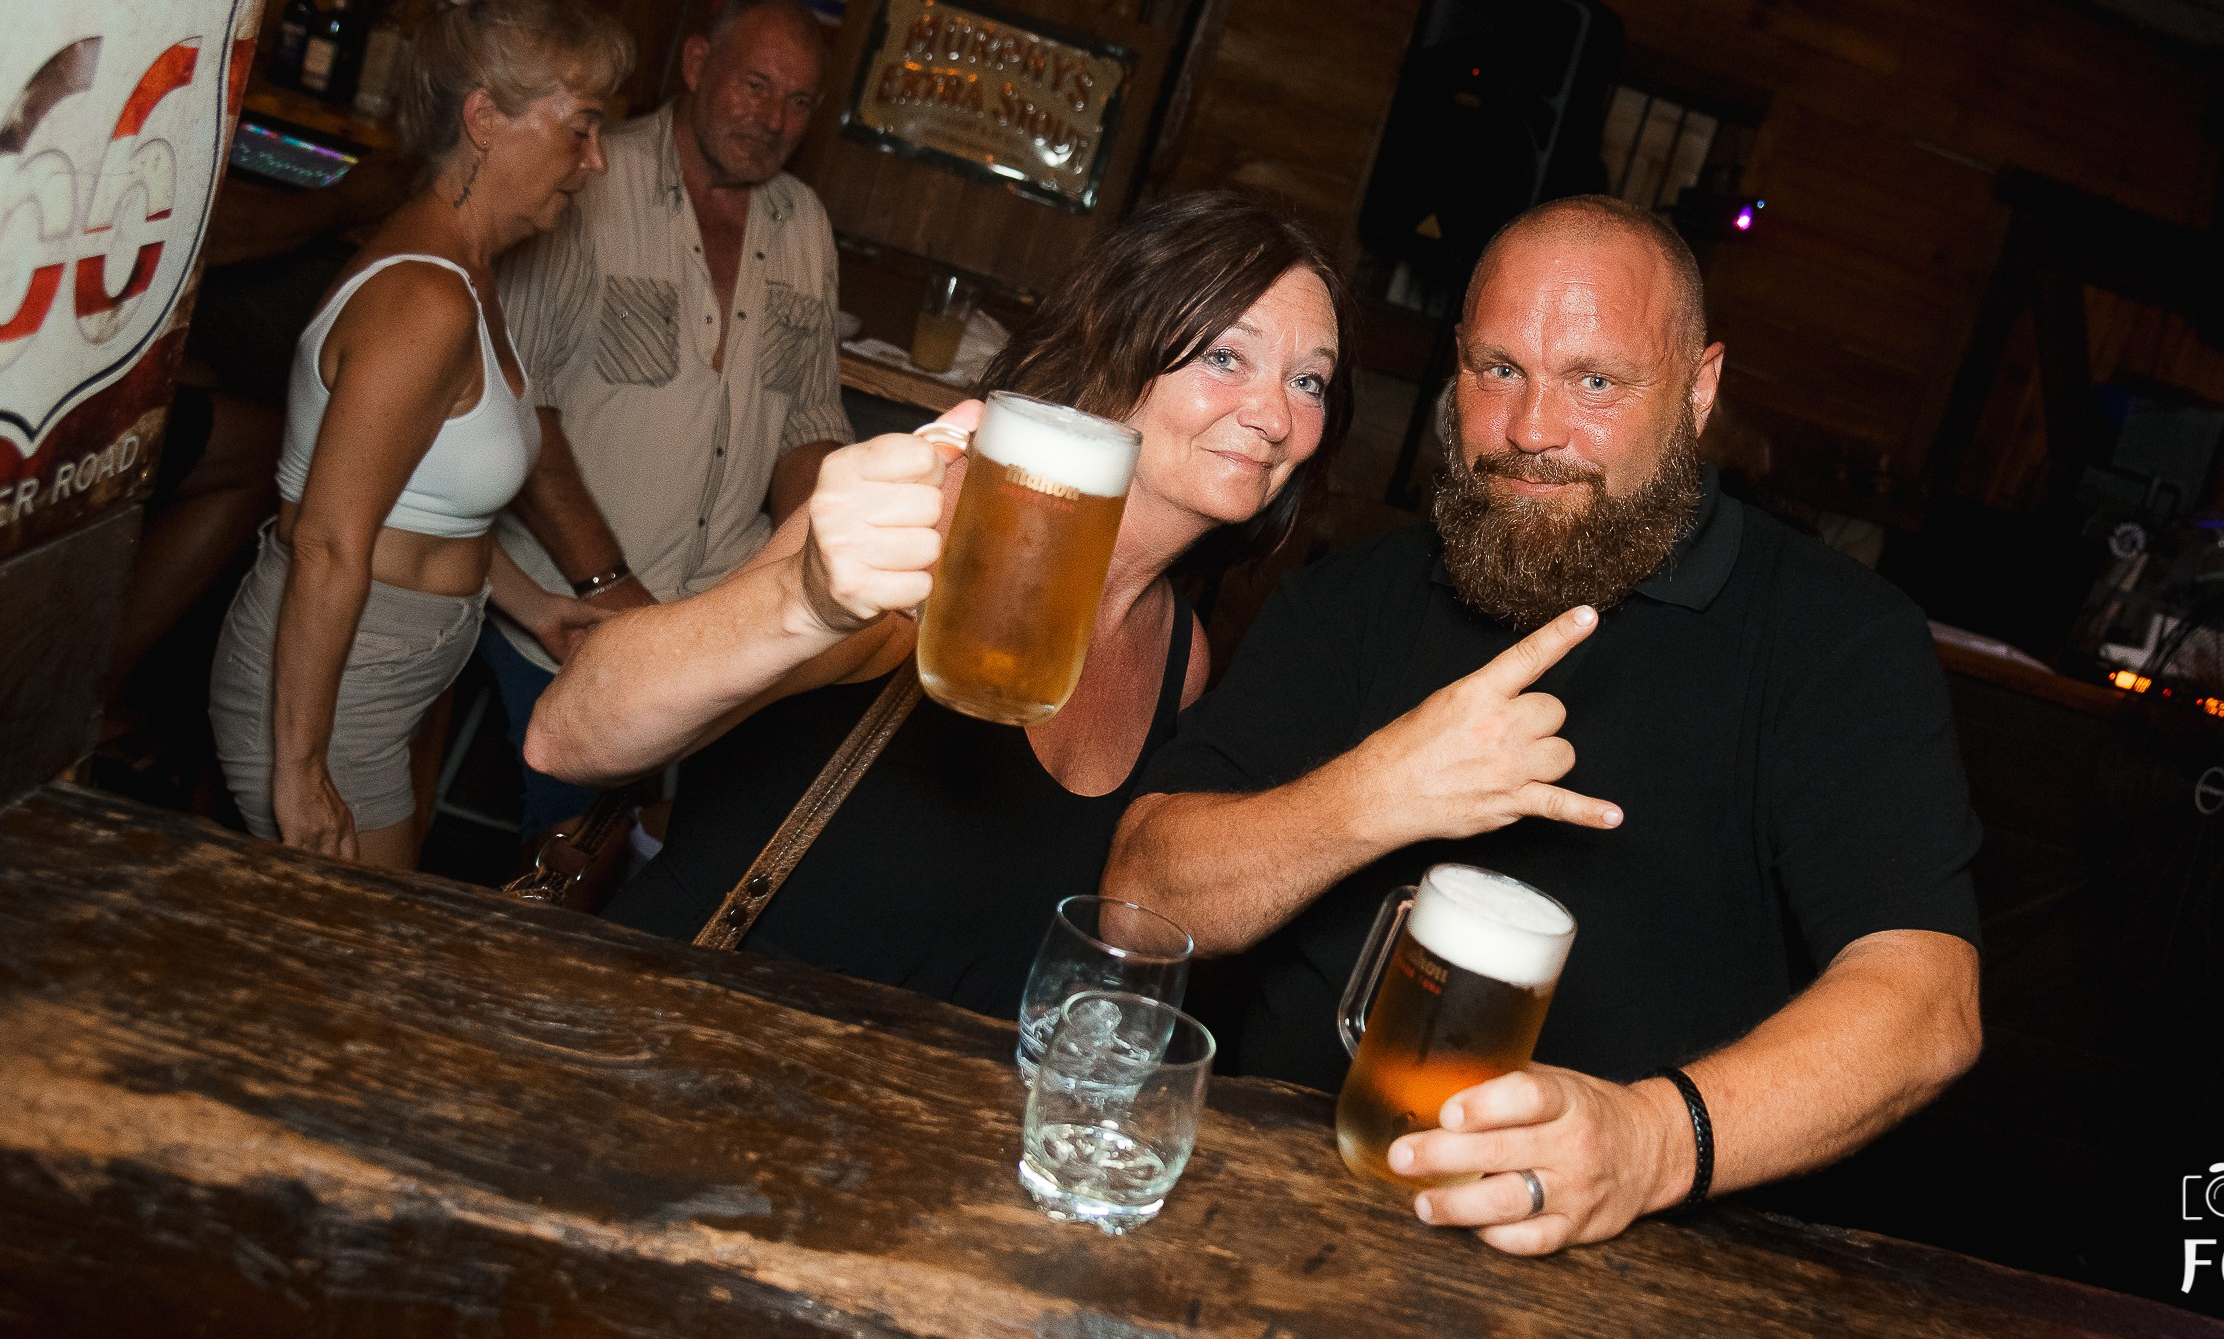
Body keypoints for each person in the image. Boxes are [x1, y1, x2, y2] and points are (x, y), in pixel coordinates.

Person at [1101, 196, 1983, 1256]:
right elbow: (1142, 890)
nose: (1531, 430)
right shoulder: (1349, 599)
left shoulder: (1832, 636)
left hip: (1640, 1263)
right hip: (1277, 1210)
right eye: (1498, 369)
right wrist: (1376, 791)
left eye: (1595, 381)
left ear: (1697, 390)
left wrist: (1651, 1138)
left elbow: (1926, 1000)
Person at [524, 193, 1350, 1017]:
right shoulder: (938, 527)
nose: (1275, 416)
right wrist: (801, 598)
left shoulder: (1181, 655)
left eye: (1308, 379)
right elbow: (569, 732)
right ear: (1117, 346)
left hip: (915, 1121)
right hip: (689, 1044)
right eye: (1225, 358)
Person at [209, 0, 634, 865]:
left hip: (374, 685)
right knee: (352, 989)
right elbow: (326, 540)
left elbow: (429, 506)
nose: (595, 160)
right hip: (330, 698)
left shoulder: (471, 277)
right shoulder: (423, 301)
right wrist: (300, 764)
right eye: (582, 129)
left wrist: (537, 607)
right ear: (486, 120)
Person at [482, 0, 854, 840]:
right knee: (570, 858)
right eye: (756, 86)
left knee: (738, 853)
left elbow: (808, 426)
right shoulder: (587, 177)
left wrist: (804, 585)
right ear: (696, 64)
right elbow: (519, 407)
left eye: (798, 101)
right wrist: (615, 595)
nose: (774, 118)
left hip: (718, 636)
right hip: (561, 611)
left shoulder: (805, 226)